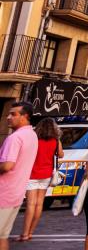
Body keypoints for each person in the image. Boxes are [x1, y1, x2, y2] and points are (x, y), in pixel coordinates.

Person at [0, 102, 38, 250]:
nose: (9, 117)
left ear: (25, 117)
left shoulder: (15, 138)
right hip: (15, 193)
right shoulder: (32, 135)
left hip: (4, 193)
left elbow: (8, 165)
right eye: (8, 114)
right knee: (3, 237)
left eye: (13, 114)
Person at [19, 117, 62, 241]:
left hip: (32, 174)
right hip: (46, 174)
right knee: (39, 204)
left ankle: (25, 233)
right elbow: (60, 154)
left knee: (31, 204)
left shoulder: (34, 139)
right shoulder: (56, 140)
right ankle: (31, 232)